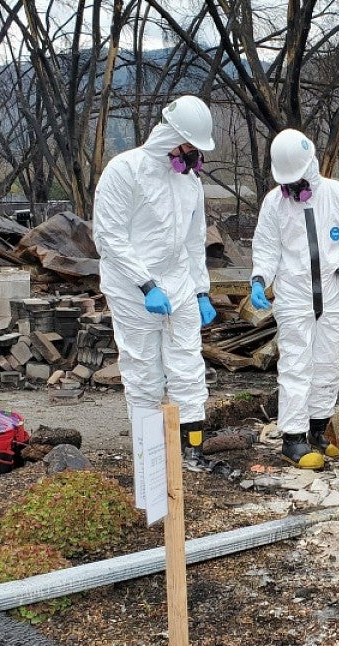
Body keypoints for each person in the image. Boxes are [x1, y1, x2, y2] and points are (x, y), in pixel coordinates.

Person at [92, 95, 221, 474]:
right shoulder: (125, 171)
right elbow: (109, 236)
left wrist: (200, 290)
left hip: (178, 283)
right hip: (132, 289)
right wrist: (146, 285)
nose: (195, 156)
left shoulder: (189, 183)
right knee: (144, 372)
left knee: (188, 367)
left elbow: (195, 241)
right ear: (173, 138)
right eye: (192, 148)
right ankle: (150, 458)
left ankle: (190, 451)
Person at [250, 129, 339, 470]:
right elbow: (266, 250)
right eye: (286, 183)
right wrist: (258, 279)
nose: (291, 190)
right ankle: (293, 439)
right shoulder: (274, 203)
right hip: (294, 296)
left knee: (328, 364)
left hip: (334, 294)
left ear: (308, 168)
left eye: (295, 181)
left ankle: (318, 431)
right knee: (296, 366)